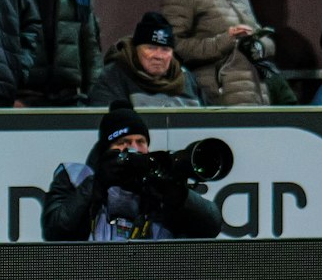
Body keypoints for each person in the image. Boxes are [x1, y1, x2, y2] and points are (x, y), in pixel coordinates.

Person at [41, 100, 221, 241]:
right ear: (106, 151)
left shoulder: (160, 180)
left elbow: (212, 226)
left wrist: (176, 194)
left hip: (155, 278)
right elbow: (55, 230)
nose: (134, 149)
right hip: (91, 276)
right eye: (123, 143)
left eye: (140, 142)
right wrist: (96, 185)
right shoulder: (76, 176)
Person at [161, 0, 276, 108]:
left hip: (255, 97)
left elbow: (260, 34)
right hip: (216, 99)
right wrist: (224, 41)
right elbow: (173, 47)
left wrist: (259, 47)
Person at [85, 9, 203, 107]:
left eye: (165, 49)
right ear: (136, 49)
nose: (158, 56)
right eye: (151, 48)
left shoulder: (186, 79)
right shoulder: (114, 76)